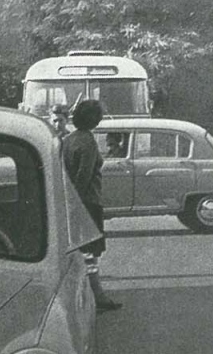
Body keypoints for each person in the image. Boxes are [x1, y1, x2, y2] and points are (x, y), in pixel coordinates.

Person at [62, 99, 122, 313]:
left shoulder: (68, 140)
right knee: (90, 253)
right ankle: (98, 297)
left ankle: (90, 296)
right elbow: (84, 175)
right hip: (88, 202)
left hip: (73, 201)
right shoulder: (88, 141)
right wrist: (76, 202)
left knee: (77, 251)